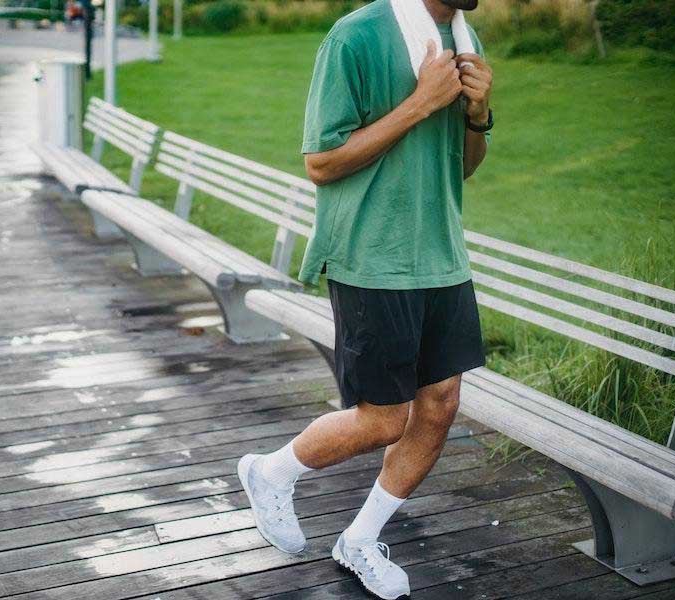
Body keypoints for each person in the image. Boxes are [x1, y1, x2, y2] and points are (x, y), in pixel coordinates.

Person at [237, 0, 494, 598]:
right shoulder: (356, 37)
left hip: (440, 256)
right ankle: (271, 472)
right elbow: (321, 162)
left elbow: (462, 167)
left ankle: (360, 538)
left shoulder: (461, 35)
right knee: (384, 419)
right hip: (371, 256)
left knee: (439, 406)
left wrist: (477, 115)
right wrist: (422, 102)